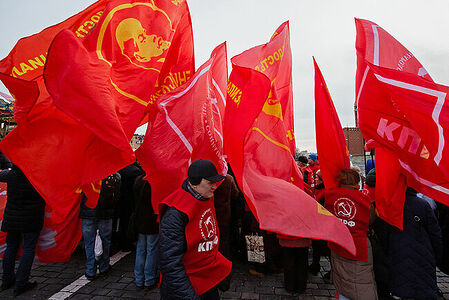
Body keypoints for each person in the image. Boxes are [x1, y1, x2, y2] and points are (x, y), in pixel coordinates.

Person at [158, 159, 232, 300]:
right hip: (186, 286)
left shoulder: (205, 196)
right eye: (210, 183)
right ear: (194, 183)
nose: (214, 187)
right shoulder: (175, 213)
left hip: (207, 280)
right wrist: (189, 296)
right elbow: (170, 263)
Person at [325, 168, 377, 300]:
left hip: (338, 243)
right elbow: (370, 219)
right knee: (360, 282)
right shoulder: (363, 198)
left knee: (341, 277)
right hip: (357, 246)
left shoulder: (331, 195)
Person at [387, 187, 442, 300]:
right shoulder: (423, 204)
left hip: (398, 255)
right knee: (423, 290)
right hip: (423, 255)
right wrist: (437, 255)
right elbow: (435, 233)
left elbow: (384, 235)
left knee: (402, 290)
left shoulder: (390, 205)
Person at [0, 164, 45, 296]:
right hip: (31, 217)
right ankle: (21, 283)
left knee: (11, 247)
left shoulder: (11, 174)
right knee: (28, 248)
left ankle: (7, 279)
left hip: (12, 217)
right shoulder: (37, 175)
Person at [80, 172, 121, 280]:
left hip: (88, 212)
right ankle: (104, 266)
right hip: (105, 214)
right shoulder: (114, 176)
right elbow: (116, 197)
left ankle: (90, 270)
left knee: (89, 243)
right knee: (105, 241)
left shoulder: (85, 174)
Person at [213, 173, 239, 291]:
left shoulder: (206, 177)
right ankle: (224, 275)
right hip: (224, 217)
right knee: (223, 246)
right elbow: (235, 195)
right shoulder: (228, 178)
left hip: (210, 216)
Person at [133, 173, 159, 289]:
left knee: (140, 249)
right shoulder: (156, 181)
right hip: (152, 220)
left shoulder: (138, 179)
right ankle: (149, 279)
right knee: (152, 250)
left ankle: (139, 279)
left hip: (140, 219)